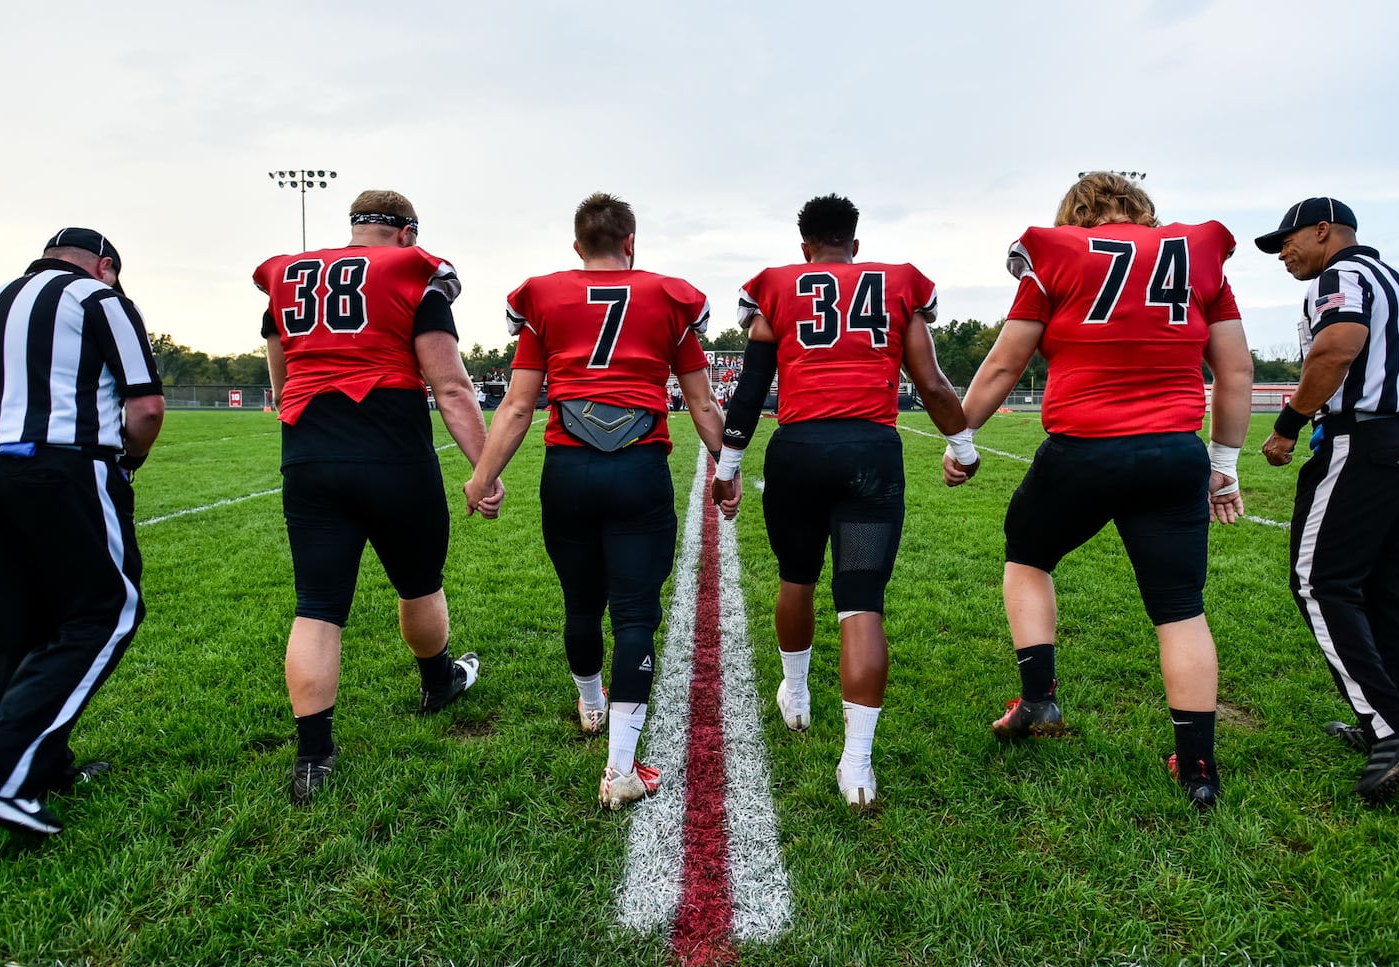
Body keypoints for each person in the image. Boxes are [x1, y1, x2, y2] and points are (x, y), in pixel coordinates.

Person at [958, 173, 1253, 809]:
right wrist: (1223, 459)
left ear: (1074, 215)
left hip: (1082, 450)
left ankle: (1038, 699)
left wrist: (964, 437)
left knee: (1028, 557)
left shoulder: (1054, 257)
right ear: (1142, 210)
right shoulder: (1196, 260)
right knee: (1180, 605)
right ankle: (1198, 766)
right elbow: (1234, 368)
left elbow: (1007, 363)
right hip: (1175, 452)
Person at [462, 192, 727, 810]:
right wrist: (727, 467)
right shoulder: (669, 297)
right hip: (638, 466)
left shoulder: (545, 298)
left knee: (581, 602)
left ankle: (590, 704)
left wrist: (482, 478)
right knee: (635, 614)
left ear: (577, 248)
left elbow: (520, 405)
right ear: (630, 243)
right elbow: (703, 404)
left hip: (569, 468)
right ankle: (621, 769)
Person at [710, 194, 974, 809]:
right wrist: (962, 446)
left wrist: (727, 469)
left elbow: (749, 391)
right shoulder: (897, 285)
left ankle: (796, 695)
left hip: (799, 450)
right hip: (871, 454)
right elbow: (931, 382)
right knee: (861, 604)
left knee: (796, 577)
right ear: (855, 243)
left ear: (805, 248)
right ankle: (856, 766)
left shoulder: (777, 286)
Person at [254, 189, 503, 805]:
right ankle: (437, 682)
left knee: (317, 604)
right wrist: (485, 468)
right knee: (419, 581)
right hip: (392, 448)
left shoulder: (289, 278)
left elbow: (282, 380)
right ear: (407, 233)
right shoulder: (415, 278)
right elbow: (449, 387)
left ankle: (314, 757)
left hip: (309, 451)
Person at [0, 227, 164, 836]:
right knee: (106, 610)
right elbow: (144, 407)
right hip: (60, 465)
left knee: (15, 624)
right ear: (106, 265)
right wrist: (127, 464)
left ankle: (42, 766)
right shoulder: (99, 299)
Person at [1256, 197, 1399, 804]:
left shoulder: (1343, 277)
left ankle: (1394, 727)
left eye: (1287, 241)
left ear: (1323, 231)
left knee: (1319, 583)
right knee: (1388, 591)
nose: (1283, 253)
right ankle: (1394, 718)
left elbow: (1338, 347)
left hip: (1362, 441)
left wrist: (1290, 424)